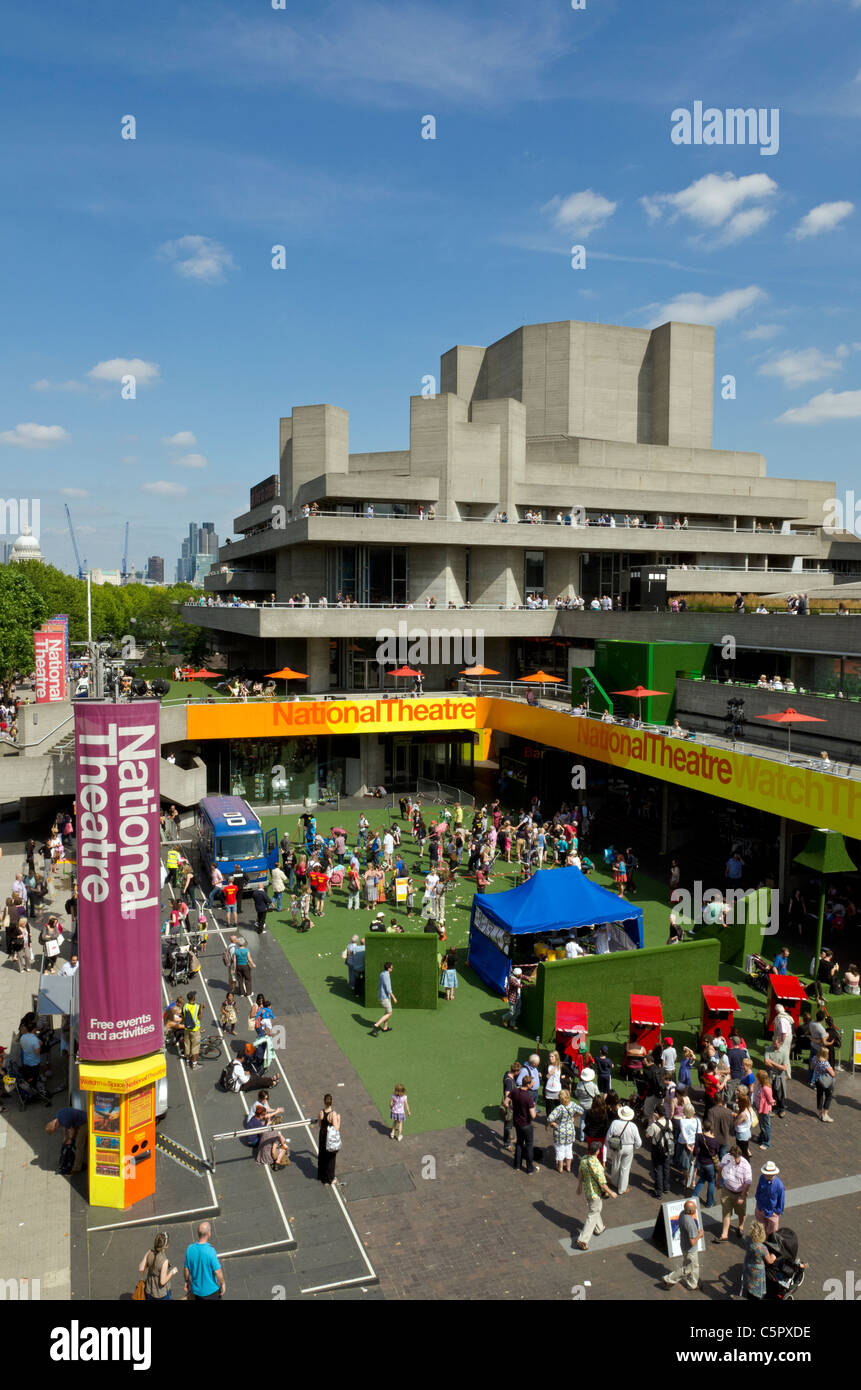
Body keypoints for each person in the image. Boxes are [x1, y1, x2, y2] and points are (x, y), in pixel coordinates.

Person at [575, 1142, 617, 1250]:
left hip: (587, 1191)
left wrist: (579, 1185)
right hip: (595, 1193)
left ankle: (599, 1228)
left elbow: (580, 1173)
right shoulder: (597, 1165)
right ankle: (583, 1240)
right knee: (593, 1213)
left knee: (596, 1209)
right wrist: (611, 1193)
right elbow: (603, 1184)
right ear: (597, 1151)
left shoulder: (584, 1159)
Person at [661, 1200, 703, 1292]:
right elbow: (692, 1242)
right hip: (690, 1249)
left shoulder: (682, 1213)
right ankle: (669, 1279)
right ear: (691, 1211)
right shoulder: (690, 1223)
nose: (696, 1209)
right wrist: (699, 1235)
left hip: (684, 1245)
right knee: (687, 1268)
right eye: (695, 1208)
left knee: (694, 1266)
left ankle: (692, 1284)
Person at [716, 1146, 752, 1242]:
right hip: (726, 1190)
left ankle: (740, 1226)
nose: (732, 1159)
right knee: (726, 1211)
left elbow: (748, 1182)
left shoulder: (746, 1166)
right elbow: (720, 1168)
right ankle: (724, 1234)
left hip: (739, 1192)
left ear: (739, 1156)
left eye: (735, 1158)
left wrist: (742, 1196)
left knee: (741, 1212)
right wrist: (718, 1181)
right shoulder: (727, 1157)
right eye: (732, 1157)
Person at [605, 1103, 641, 1195]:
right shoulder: (633, 1126)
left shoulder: (615, 1123)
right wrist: (635, 1148)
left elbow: (608, 1137)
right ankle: (622, 1189)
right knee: (625, 1168)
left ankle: (614, 1182)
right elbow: (639, 1142)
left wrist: (609, 1147)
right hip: (629, 1148)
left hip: (617, 1146)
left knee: (616, 1165)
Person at [184, 1222, 225, 1300]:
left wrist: (187, 1281)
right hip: (211, 1291)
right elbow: (217, 1272)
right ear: (209, 1233)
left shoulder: (190, 1249)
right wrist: (222, 1283)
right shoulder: (210, 1251)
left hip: (197, 1291)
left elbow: (186, 1269)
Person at [45, 1107, 87, 1173]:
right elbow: (65, 1126)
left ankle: (77, 1168)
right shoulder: (58, 1116)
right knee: (76, 1140)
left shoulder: (64, 1120)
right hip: (79, 1119)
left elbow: (71, 1131)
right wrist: (65, 1136)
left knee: (79, 1145)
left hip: (85, 1122)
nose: (57, 1130)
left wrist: (70, 1139)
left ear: (55, 1125)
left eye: (55, 1130)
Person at [138, 1232, 178, 1301]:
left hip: (149, 1289)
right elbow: (162, 1282)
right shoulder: (164, 1261)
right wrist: (172, 1272)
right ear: (166, 1246)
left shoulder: (149, 1252)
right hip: (160, 1293)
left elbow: (141, 1268)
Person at [742, 1220, 776, 1300]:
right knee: (758, 1290)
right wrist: (773, 1256)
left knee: (750, 1286)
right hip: (758, 1272)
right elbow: (769, 1261)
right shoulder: (762, 1248)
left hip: (749, 1267)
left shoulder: (748, 1240)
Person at [510, 1078, 538, 1175]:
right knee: (529, 1145)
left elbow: (506, 1102)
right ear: (528, 1084)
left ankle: (517, 1165)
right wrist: (533, 1106)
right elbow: (533, 1115)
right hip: (526, 1124)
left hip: (517, 1123)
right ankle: (529, 1169)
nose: (533, 1084)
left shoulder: (514, 1091)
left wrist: (513, 1108)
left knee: (519, 1143)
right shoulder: (528, 1097)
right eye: (532, 1083)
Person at [691, 1119, 721, 1208]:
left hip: (701, 1162)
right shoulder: (714, 1140)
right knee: (711, 1181)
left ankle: (694, 1196)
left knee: (702, 1179)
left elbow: (695, 1150)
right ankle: (709, 1203)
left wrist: (694, 1157)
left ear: (703, 1127)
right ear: (711, 1128)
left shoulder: (699, 1136)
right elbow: (717, 1151)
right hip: (710, 1164)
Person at [646, 1107, 675, 1198]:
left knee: (658, 1169)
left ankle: (658, 1191)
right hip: (667, 1148)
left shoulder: (654, 1125)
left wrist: (650, 1123)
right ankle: (666, 1187)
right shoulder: (669, 1122)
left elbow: (647, 1135)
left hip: (657, 1149)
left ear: (657, 1114)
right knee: (666, 1168)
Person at [754, 1160, 785, 1235]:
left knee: (772, 1233)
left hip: (772, 1212)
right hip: (760, 1208)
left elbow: (781, 1200)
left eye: (768, 1174)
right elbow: (758, 1190)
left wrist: (776, 1212)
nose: (765, 1175)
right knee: (760, 1230)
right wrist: (758, 1202)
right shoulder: (762, 1178)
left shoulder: (779, 1185)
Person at [317, 1094, 340, 1185]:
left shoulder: (321, 1112)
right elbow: (336, 1128)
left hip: (322, 1135)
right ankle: (330, 1178)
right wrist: (339, 1119)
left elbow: (319, 1124)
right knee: (330, 1158)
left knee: (322, 1155)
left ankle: (323, 1178)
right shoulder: (333, 1114)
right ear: (331, 1102)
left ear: (324, 1101)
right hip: (329, 1137)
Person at [371, 962, 396, 1035]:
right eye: (392, 968)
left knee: (386, 1012)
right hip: (385, 998)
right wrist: (394, 998)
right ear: (388, 968)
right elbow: (388, 989)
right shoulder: (386, 975)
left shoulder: (382, 973)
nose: (392, 969)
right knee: (390, 1013)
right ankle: (376, 1025)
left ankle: (385, 1027)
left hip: (383, 996)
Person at [813, 1044, 836, 1122]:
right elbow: (833, 1074)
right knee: (828, 1096)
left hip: (817, 1080)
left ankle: (820, 1114)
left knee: (819, 1096)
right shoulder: (825, 1063)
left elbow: (811, 1067)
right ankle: (825, 1114)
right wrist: (831, 1069)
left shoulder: (814, 1058)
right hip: (826, 1081)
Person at [182, 992, 204, 1071]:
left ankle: (187, 1062)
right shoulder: (197, 1007)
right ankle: (194, 1065)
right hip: (195, 1030)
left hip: (187, 1029)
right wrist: (201, 1008)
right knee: (195, 1047)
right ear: (193, 998)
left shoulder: (184, 1006)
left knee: (187, 1045)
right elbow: (200, 1018)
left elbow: (183, 1016)